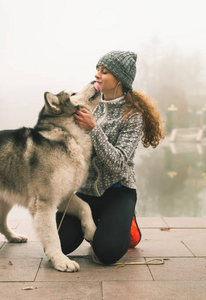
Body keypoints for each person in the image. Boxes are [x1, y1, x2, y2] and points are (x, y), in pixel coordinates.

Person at [56, 50, 164, 265]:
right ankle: (99, 222)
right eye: (97, 70)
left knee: (106, 254)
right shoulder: (88, 106)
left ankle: (125, 221)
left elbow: (117, 163)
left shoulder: (133, 115)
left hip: (118, 191)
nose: (98, 75)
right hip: (85, 192)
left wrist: (94, 129)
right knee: (58, 245)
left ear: (120, 80)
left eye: (105, 72)